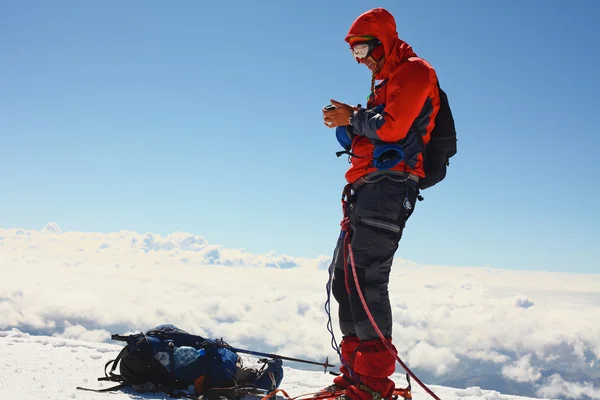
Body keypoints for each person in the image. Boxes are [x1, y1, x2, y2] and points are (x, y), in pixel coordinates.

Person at [322, 8, 441, 400]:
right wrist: (349, 125)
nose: (361, 59)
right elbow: (376, 129)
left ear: (382, 41)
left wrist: (352, 116)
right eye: (355, 53)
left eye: (363, 49)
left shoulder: (414, 71)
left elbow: (393, 127)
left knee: (367, 279)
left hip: (388, 187)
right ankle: (357, 374)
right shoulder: (385, 81)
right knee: (345, 281)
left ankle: (373, 384)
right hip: (366, 187)